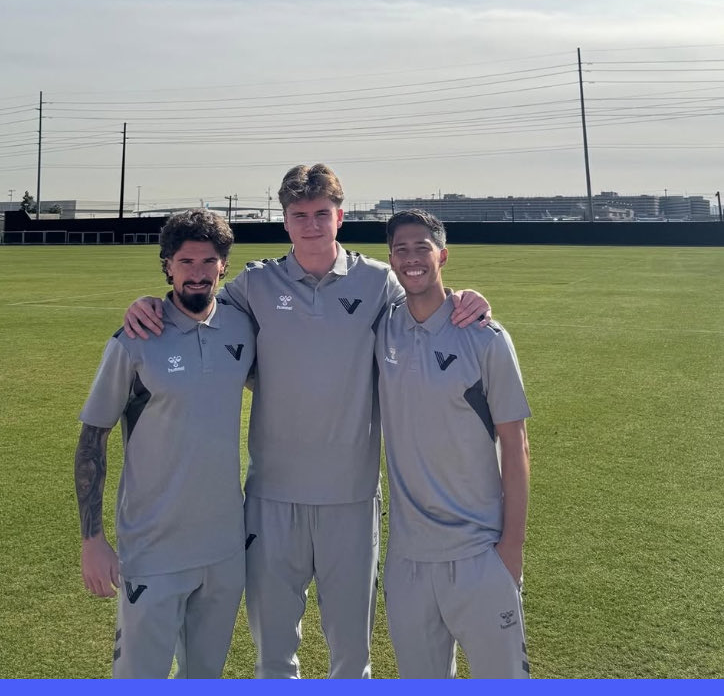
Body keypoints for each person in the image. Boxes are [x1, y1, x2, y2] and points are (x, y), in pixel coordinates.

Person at [122, 164, 491, 679]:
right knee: (274, 656)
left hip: (351, 498)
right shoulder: (253, 283)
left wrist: (466, 297)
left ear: (340, 216)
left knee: (351, 658)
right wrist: (149, 303)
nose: (312, 225)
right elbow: (196, 310)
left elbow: (426, 305)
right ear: (286, 221)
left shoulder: (377, 282)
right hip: (272, 499)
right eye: (300, 215)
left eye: (322, 213)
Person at [74, 209, 255, 679]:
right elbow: (93, 438)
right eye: (186, 261)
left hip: (224, 547)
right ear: (167, 266)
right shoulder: (135, 339)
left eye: (208, 261)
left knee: (205, 676)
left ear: (223, 266)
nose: (197, 273)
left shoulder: (242, 330)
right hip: (153, 549)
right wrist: (92, 539)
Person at [376, 209, 531, 679]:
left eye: (422, 247)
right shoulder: (380, 329)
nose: (411, 258)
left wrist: (512, 548)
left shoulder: (486, 337)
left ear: (442, 255)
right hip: (407, 561)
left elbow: (516, 445)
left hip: (479, 553)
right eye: (401, 250)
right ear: (391, 261)